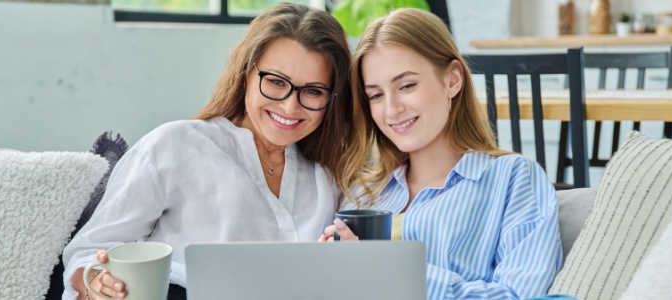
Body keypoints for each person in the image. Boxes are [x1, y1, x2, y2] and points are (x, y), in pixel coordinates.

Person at [63, 3, 355, 299]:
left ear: (332, 98)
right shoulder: (176, 145)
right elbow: (88, 254)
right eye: (276, 82)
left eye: (313, 91)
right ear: (246, 73)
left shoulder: (332, 175)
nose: (290, 107)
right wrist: (98, 285)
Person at [320, 8, 563, 300]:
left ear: (452, 80)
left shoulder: (512, 179)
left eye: (407, 85)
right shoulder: (363, 193)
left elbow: (521, 296)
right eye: (376, 95)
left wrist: (387, 269)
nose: (391, 109)